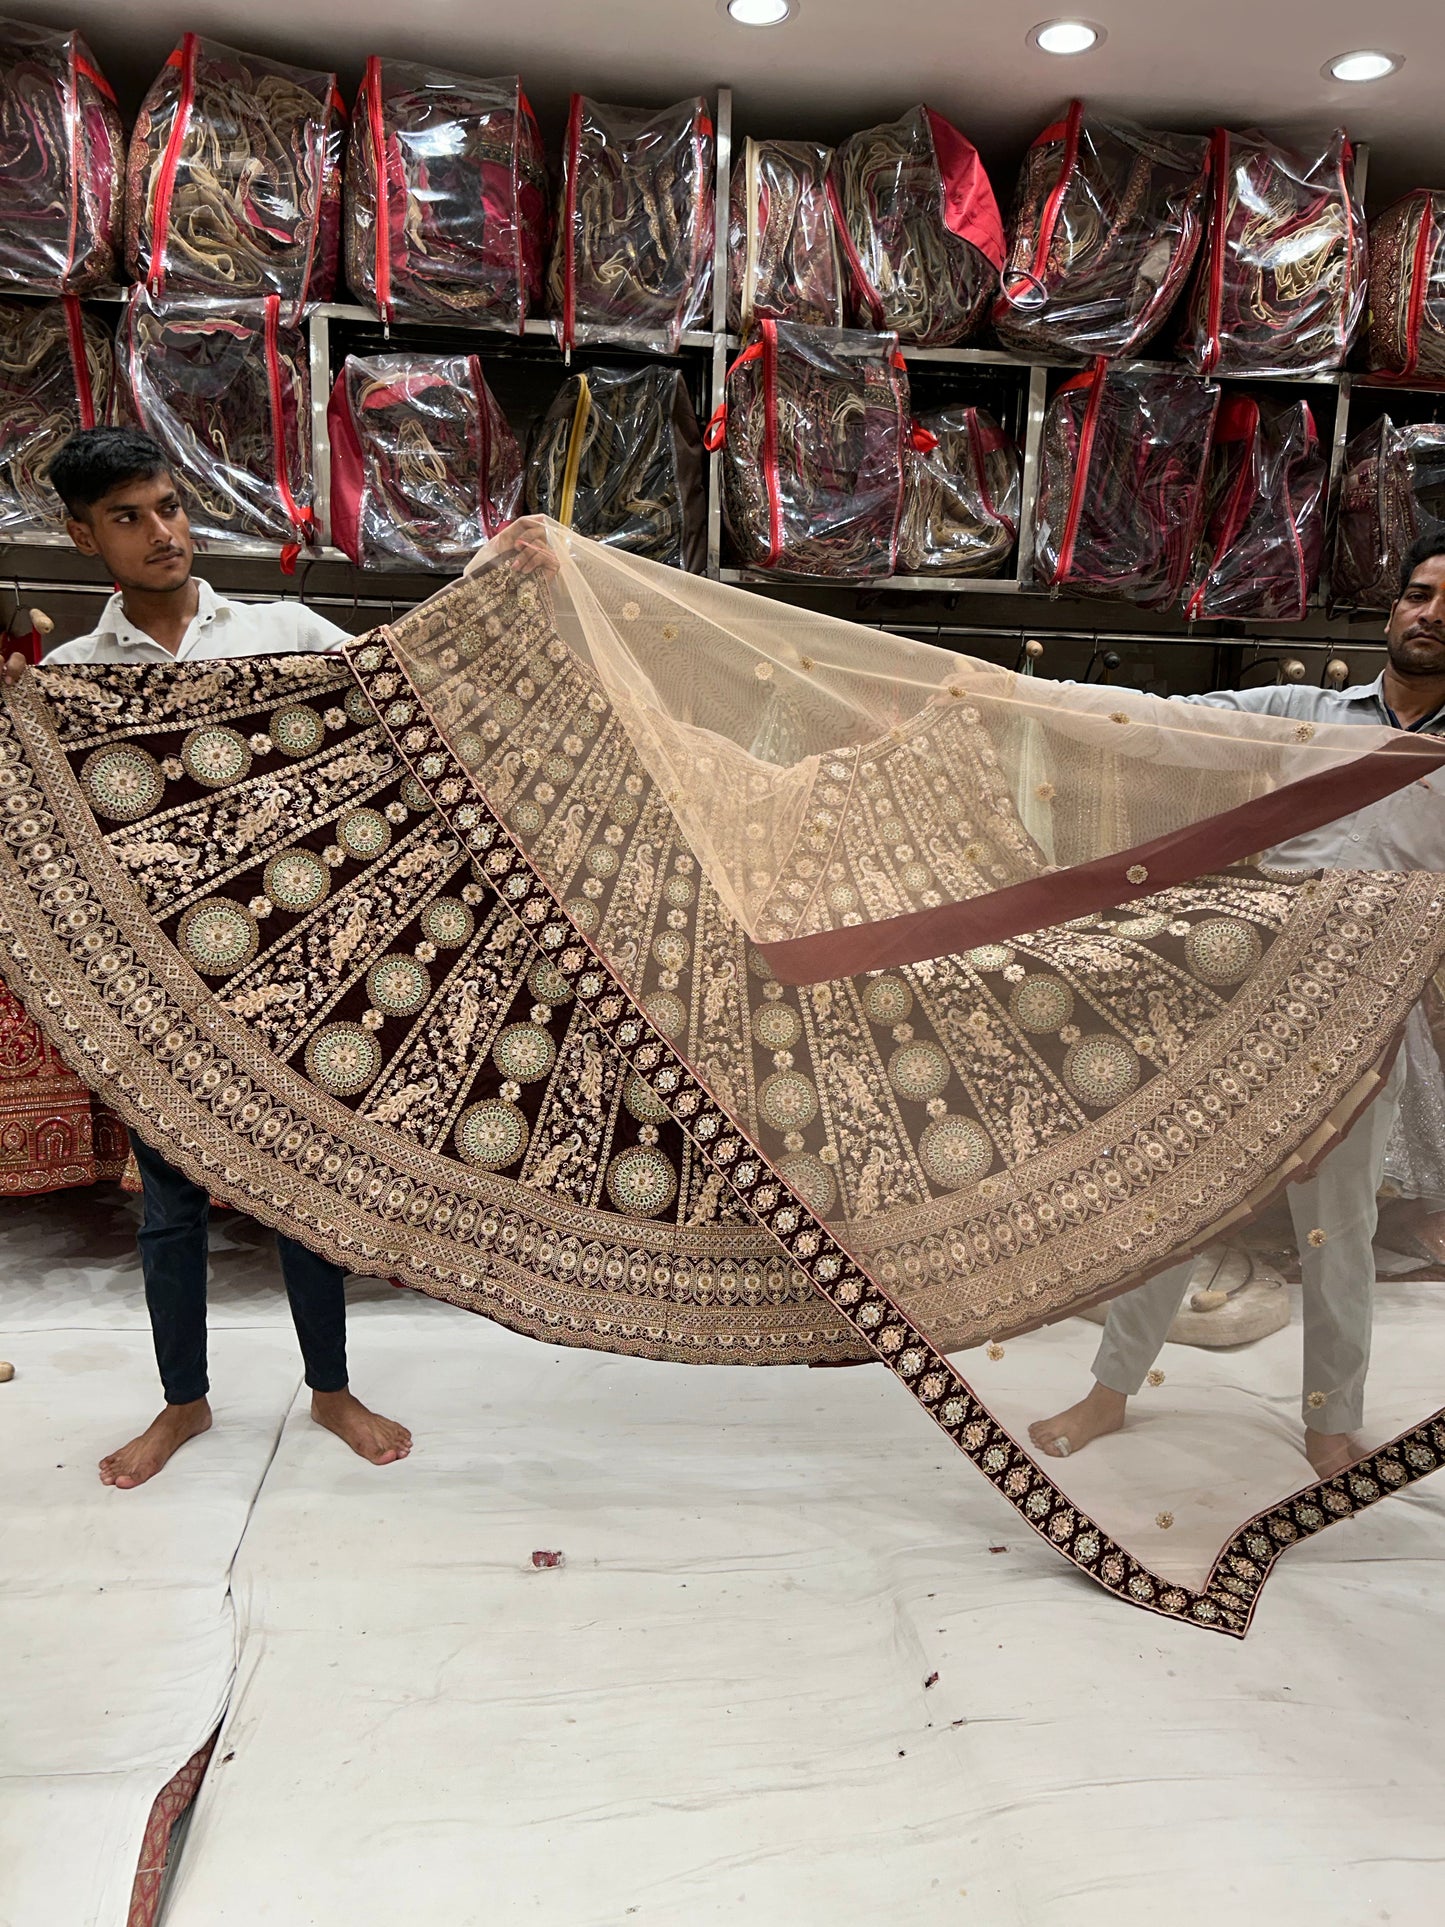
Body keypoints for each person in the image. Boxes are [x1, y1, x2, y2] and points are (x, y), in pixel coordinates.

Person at [4, 427, 413, 1486]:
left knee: (306, 1187)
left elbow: (404, 702)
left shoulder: (281, 629)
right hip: (160, 991)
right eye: (129, 518)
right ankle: (182, 1405)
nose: (162, 533)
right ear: (82, 534)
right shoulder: (76, 676)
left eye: (171, 507)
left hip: (291, 975)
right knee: (172, 1206)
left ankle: (330, 1387)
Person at [1030, 530, 1445, 1481]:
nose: (1428, 615)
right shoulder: (1304, 711)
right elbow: (1172, 721)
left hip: (1365, 1028)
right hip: (1248, 1005)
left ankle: (1328, 1427)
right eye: (1417, 594)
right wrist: (1039, 698)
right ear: (1390, 608)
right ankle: (1108, 1392)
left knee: (1338, 1233)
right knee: (1182, 1204)